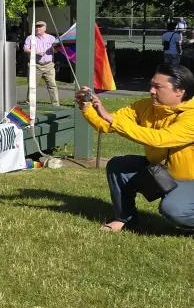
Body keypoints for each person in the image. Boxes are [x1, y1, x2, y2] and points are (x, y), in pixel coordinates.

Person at [79, 64, 194, 232]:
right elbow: (106, 124)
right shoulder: (145, 106)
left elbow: (160, 139)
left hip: (190, 181)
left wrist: (111, 119)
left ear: (180, 91)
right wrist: (87, 107)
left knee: (174, 209)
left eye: (158, 87)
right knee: (119, 166)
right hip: (161, 172)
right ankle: (125, 218)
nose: (152, 91)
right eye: (151, 85)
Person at [23, 20, 61, 106]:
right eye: (36, 26)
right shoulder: (30, 38)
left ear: (45, 28)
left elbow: (56, 51)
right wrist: (37, 53)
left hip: (48, 65)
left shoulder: (51, 38)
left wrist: (55, 49)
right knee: (32, 86)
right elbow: (25, 49)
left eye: (40, 26)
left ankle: (56, 104)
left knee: (52, 85)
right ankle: (29, 103)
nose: (37, 28)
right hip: (35, 65)